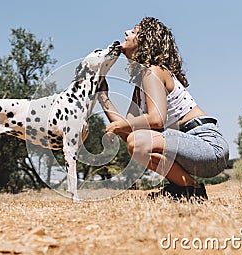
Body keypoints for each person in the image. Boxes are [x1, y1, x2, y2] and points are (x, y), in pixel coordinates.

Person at [98, 17, 229, 201]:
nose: (126, 32)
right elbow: (127, 132)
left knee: (138, 140)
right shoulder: (140, 86)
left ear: (144, 43)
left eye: (134, 31)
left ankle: (191, 189)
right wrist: (102, 97)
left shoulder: (152, 72)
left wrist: (119, 126)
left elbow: (156, 119)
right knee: (135, 141)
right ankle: (184, 189)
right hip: (190, 149)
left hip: (208, 147)